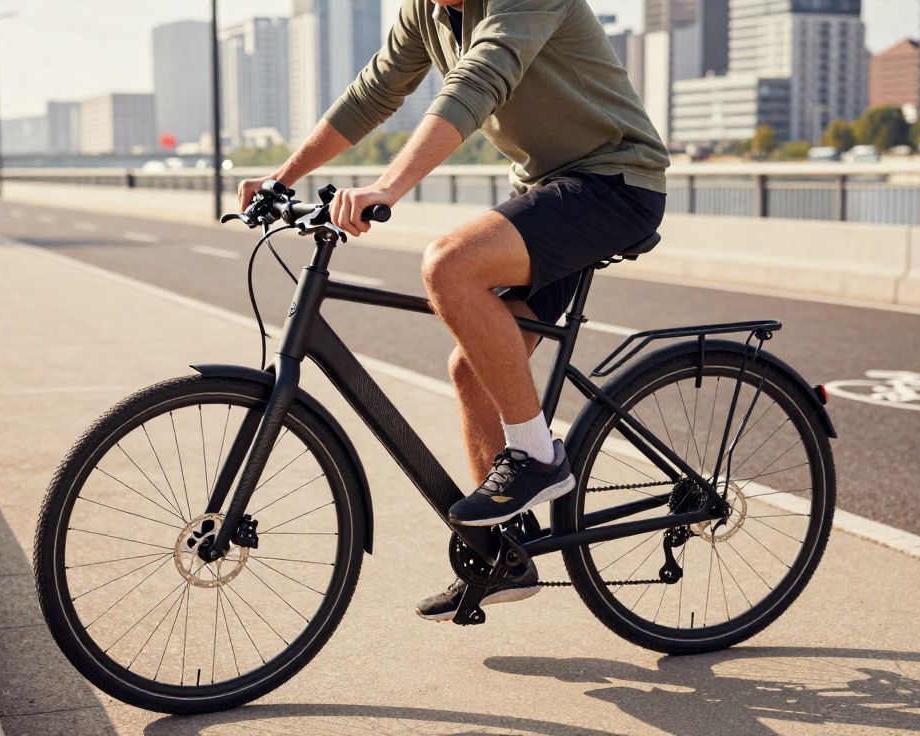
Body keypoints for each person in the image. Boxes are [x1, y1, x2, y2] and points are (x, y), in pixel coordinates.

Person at [237, 0, 669, 621]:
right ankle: (503, 559)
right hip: (548, 189)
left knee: (449, 265)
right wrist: (283, 178)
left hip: (615, 183)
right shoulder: (427, 11)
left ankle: (538, 456)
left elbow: (480, 79)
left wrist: (388, 186)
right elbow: (371, 95)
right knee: (473, 370)